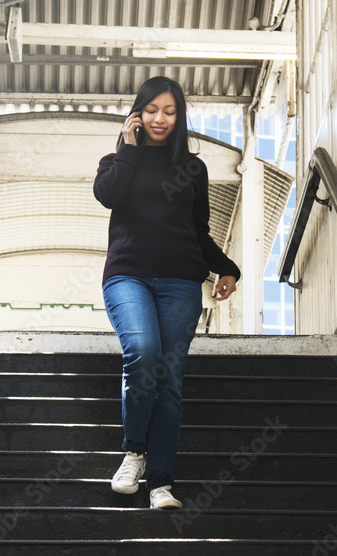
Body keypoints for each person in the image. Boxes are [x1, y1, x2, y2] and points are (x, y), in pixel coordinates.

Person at [93, 76, 240, 510]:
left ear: (180, 117)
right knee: (142, 349)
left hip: (180, 282)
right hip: (127, 276)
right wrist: (128, 148)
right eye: (152, 110)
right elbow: (108, 195)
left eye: (170, 111)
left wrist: (227, 267)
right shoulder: (117, 161)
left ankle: (161, 484)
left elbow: (198, 232)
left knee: (170, 382)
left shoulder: (193, 169)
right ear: (137, 114)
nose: (160, 119)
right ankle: (134, 451)